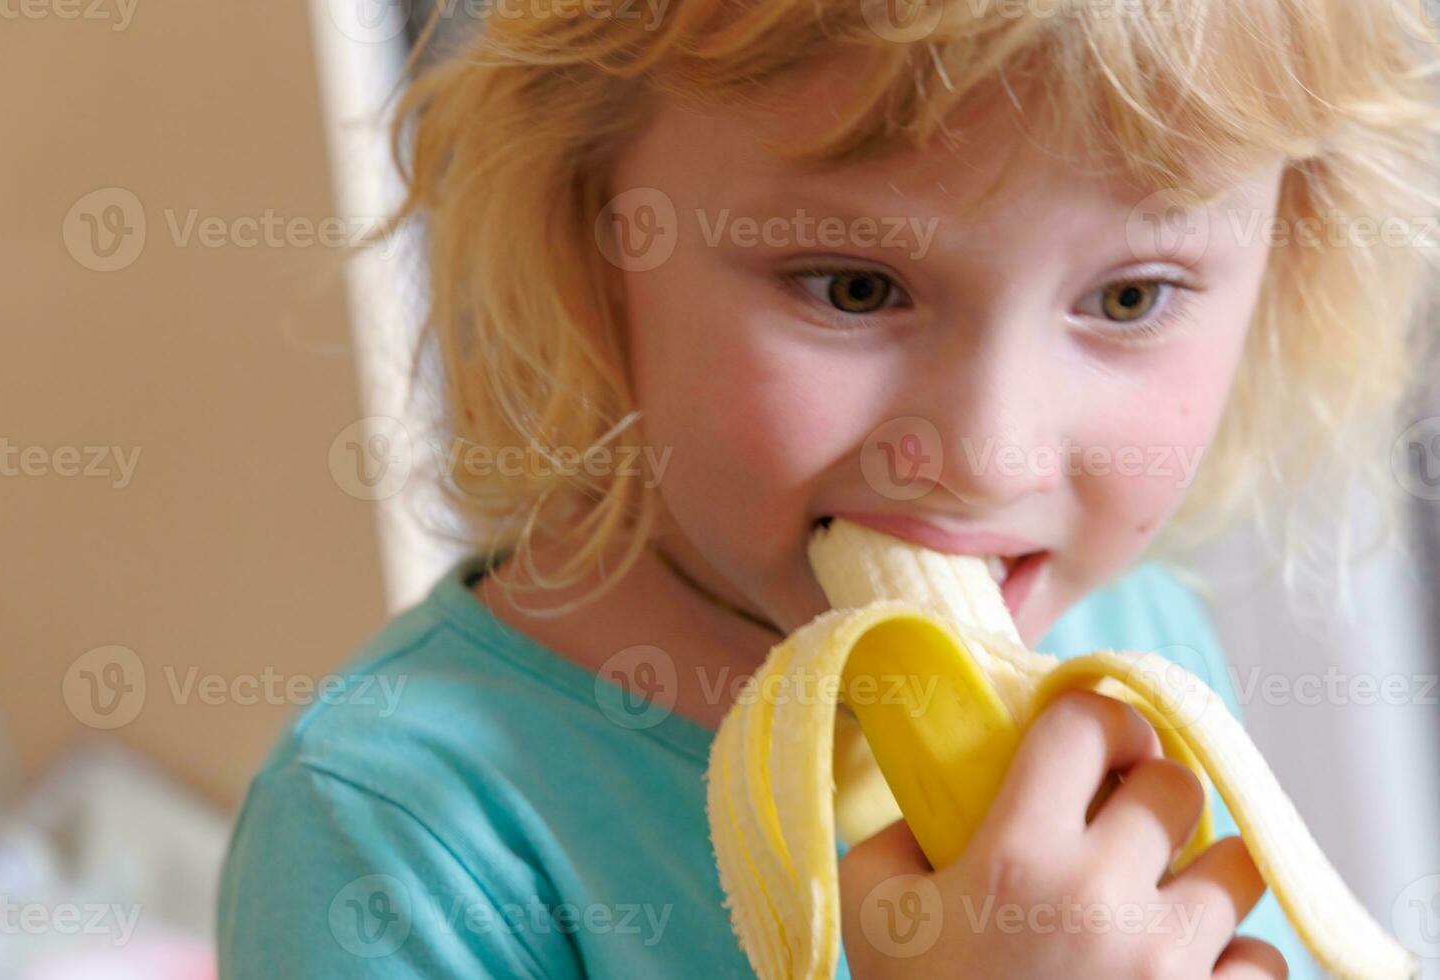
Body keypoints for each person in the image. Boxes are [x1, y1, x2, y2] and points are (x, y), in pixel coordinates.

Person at [218, 0, 1440, 975]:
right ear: (592, 227)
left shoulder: (1136, 645)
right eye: (854, 287)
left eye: (1130, 297)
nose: (987, 456)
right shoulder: (393, 835)